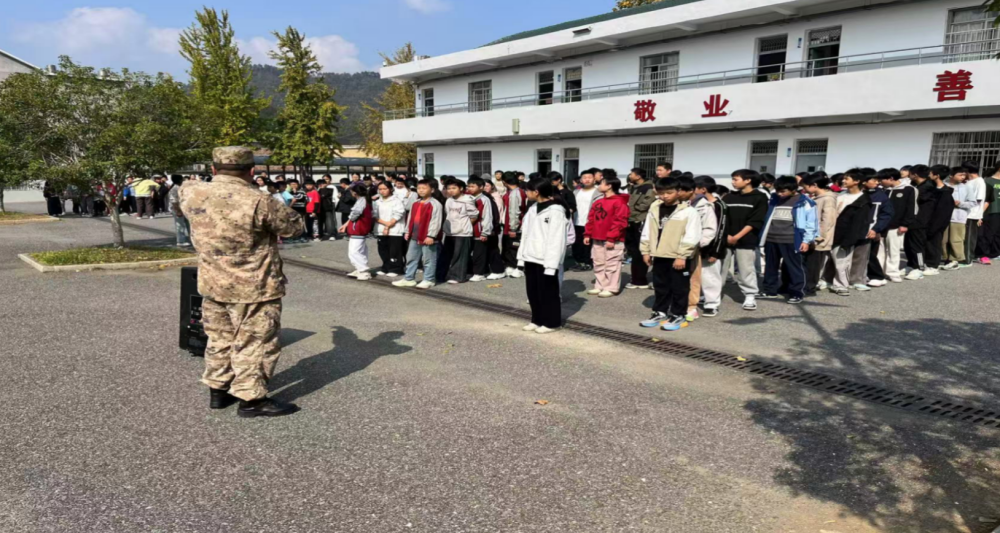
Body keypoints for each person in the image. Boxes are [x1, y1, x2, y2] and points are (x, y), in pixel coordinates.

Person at [179, 146, 304, 418]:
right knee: (255, 340)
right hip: (253, 285)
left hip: (212, 282)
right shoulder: (259, 200)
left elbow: (181, 204)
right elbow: (294, 228)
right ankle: (251, 399)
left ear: (214, 169)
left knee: (219, 337)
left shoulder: (190, 192)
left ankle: (218, 389)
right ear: (252, 170)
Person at [638, 178, 702, 331]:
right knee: (660, 285)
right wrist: (645, 251)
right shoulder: (654, 209)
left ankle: (678, 314)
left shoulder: (688, 211)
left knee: (679, 287)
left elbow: (692, 235)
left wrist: (682, 255)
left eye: (669, 192)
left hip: (677, 256)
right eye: (661, 193)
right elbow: (647, 231)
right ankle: (660, 312)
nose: (665, 196)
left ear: (678, 192)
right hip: (659, 254)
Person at [517, 178, 569, 334]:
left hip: (546, 259)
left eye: (527, 190)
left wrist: (552, 265)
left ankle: (552, 323)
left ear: (536, 192)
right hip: (530, 256)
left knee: (548, 292)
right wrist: (521, 257)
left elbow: (556, 239)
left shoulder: (556, 211)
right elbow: (525, 235)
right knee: (533, 292)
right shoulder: (533, 208)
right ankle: (536, 319)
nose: (526, 193)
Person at [756, 176, 816, 303]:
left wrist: (806, 241)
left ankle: (797, 292)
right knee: (770, 267)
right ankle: (769, 290)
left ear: (793, 189)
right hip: (771, 239)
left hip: (792, 240)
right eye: (778, 191)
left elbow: (811, 223)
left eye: (783, 191)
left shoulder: (805, 202)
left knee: (795, 268)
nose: (779, 194)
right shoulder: (773, 199)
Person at [721, 169, 768, 310]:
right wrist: (727, 235)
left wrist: (737, 236)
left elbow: (756, 221)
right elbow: (722, 218)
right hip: (726, 239)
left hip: (746, 239)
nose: (732, 182)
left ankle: (750, 295)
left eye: (736, 179)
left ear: (748, 180)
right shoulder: (729, 197)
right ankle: (713, 294)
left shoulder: (759, 197)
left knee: (745, 269)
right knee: (720, 268)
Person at [677, 176, 717, 320]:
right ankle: (676, 305)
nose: (677, 193)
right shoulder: (675, 204)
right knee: (675, 278)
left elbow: (710, 229)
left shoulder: (705, 206)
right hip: (673, 248)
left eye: (680, 190)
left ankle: (691, 307)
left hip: (692, 248)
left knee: (693, 278)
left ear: (691, 190)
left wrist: (697, 244)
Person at [584, 173, 630, 297]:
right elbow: (591, 219)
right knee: (598, 262)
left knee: (612, 263)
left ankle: (611, 287)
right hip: (597, 237)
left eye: (602, 183)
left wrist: (611, 238)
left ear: (609, 186)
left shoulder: (620, 202)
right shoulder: (598, 202)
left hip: (613, 239)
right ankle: (600, 285)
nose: (599, 185)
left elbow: (620, 222)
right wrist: (587, 234)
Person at [393, 179, 444, 289]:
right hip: (414, 236)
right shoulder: (415, 203)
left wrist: (431, 235)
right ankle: (409, 278)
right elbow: (410, 218)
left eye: (424, 188)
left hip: (427, 237)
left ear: (432, 190)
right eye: (419, 188)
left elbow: (436, 221)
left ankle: (429, 279)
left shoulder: (435, 204)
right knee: (411, 258)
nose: (421, 190)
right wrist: (407, 231)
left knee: (428, 259)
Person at [829, 171, 872, 295]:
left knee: (842, 261)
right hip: (833, 232)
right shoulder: (840, 196)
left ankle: (841, 285)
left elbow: (861, 222)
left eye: (847, 179)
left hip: (847, 234)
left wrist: (851, 238)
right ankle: (826, 280)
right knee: (831, 259)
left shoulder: (863, 200)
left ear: (856, 181)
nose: (843, 181)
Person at [693, 177, 728, 317]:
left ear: (703, 189)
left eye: (694, 188)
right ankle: (700, 297)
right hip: (695, 247)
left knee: (710, 277)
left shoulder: (719, 205)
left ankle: (712, 304)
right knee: (697, 276)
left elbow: (721, 230)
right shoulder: (695, 203)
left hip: (711, 248)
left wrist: (715, 252)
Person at [802, 174, 837, 293]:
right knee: (808, 263)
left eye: (805, 187)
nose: (804, 190)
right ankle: (805, 285)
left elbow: (827, 220)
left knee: (813, 264)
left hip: (818, 239)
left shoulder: (828, 199)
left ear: (814, 185)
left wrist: (817, 237)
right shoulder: (817, 198)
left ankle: (810, 287)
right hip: (810, 236)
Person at [880, 168, 916, 283]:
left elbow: (911, 208)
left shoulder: (908, 189)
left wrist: (905, 224)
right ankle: (879, 273)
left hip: (896, 225)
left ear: (891, 178)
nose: (880, 182)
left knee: (893, 250)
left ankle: (892, 272)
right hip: (881, 225)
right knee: (880, 251)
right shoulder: (883, 190)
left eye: (882, 179)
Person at [861, 173, 894, 287]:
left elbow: (886, 215)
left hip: (872, 229)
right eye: (873, 180)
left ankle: (877, 276)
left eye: (877, 180)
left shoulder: (881, 196)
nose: (877, 182)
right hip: (858, 228)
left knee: (869, 254)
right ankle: (865, 275)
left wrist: (876, 229)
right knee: (861, 255)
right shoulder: (860, 194)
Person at [625, 168, 656, 289]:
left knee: (641, 250)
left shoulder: (648, 187)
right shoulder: (633, 187)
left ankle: (640, 279)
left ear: (638, 176)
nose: (630, 175)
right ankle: (636, 278)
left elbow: (646, 203)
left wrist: (635, 209)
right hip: (632, 220)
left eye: (632, 174)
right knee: (634, 251)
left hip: (640, 220)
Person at [443, 179, 478, 284]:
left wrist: (464, 225)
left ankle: (458, 277)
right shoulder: (449, 200)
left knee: (460, 255)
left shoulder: (467, 200)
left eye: (454, 188)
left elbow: (474, 215)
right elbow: (447, 214)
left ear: (461, 188)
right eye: (449, 188)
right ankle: (452, 273)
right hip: (450, 231)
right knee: (450, 254)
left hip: (463, 232)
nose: (451, 190)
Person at [904, 164, 935, 279]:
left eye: (910, 174)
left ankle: (919, 268)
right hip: (911, 220)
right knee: (908, 244)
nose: (908, 176)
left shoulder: (928, 187)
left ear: (915, 175)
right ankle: (911, 265)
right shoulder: (915, 185)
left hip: (921, 221)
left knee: (917, 246)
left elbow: (921, 200)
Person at [944, 166, 977, 270]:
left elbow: (973, 203)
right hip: (942, 217)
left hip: (958, 217)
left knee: (956, 239)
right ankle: (944, 258)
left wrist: (960, 204)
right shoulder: (943, 185)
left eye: (964, 175)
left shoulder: (966, 187)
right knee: (943, 240)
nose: (963, 177)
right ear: (951, 176)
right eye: (960, 175)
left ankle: (955, 260)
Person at [467, 176, 500, 281]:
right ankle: (476, 271)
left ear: (481, 187)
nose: (470, 188)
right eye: (469, 186)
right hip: (469, 230)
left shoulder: (484, 200)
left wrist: (485, 232)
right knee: (473, 252)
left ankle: (479, 273)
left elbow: (487, 216)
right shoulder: (468, 198)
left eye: (473, 186)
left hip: (480, 230)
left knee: (479, 253)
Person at [925, 165, 955, 273]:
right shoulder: (931, 189)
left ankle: (933, 266)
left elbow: (943, 213)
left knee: (934, 244)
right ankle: (926, 264)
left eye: (930, 173)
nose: (928, 175)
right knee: (927, 245)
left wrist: (934, 227)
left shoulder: (945, 193)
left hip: (936, 224)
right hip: (927, 222)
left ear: (936, 175)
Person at [373, 181, 406, 277]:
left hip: (395, 230)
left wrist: (388, 226)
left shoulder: (397, 201)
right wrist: (385, 224)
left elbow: (398, 214)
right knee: (383, 249)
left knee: (394, 250)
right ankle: (386, 267)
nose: (382, 191)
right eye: (380, 189)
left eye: (385, 189)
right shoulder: (377, 202)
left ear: (390, 189)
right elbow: (374, 215)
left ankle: (396, 268)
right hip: (381, 229)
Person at [572, 168, 601, 271]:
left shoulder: (599, 192)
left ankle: (587, 262)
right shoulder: (576, 192)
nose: (587, 179)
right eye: (584, 177)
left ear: (594, 179)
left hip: (590, 222)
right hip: (576, 221)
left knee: (588, 244)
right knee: (577, 243)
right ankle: (578, 262)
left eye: (589, 177)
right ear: (581, 180)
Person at [501, 172, 527, 278]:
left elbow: (514, 212)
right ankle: (510, 266)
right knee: (509, 247)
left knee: (513, 247)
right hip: (510, 224)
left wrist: (513, 228)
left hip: (513, 226)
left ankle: (517, 267)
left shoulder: (515, 193)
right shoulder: (515, 192)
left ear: (504, 182)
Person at [963, 162, 987, 265]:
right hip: (964, 213)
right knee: (963, 237)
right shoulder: (969, 181)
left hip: (972, 214)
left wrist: (962, 203)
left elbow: (978, 199)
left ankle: (968, 259)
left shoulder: (979, 182)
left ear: (967, 171)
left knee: (969, 238)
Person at [978, 162, 1000, 261]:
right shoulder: (988, 181)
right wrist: (980, 212)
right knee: (989, 233)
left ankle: (996, 253)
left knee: (998, 234)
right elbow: (985, 198)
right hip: (992, 210)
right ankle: (984, 253)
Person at [168, 175, 192, 247]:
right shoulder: (174, 189)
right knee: (180, 225)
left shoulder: (181, 187)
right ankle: (181, 241)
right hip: (178, 209)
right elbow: (174, 201)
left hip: (184, 208)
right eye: (182, 179)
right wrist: (178, 211)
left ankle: (191, 239)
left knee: (189, 224)